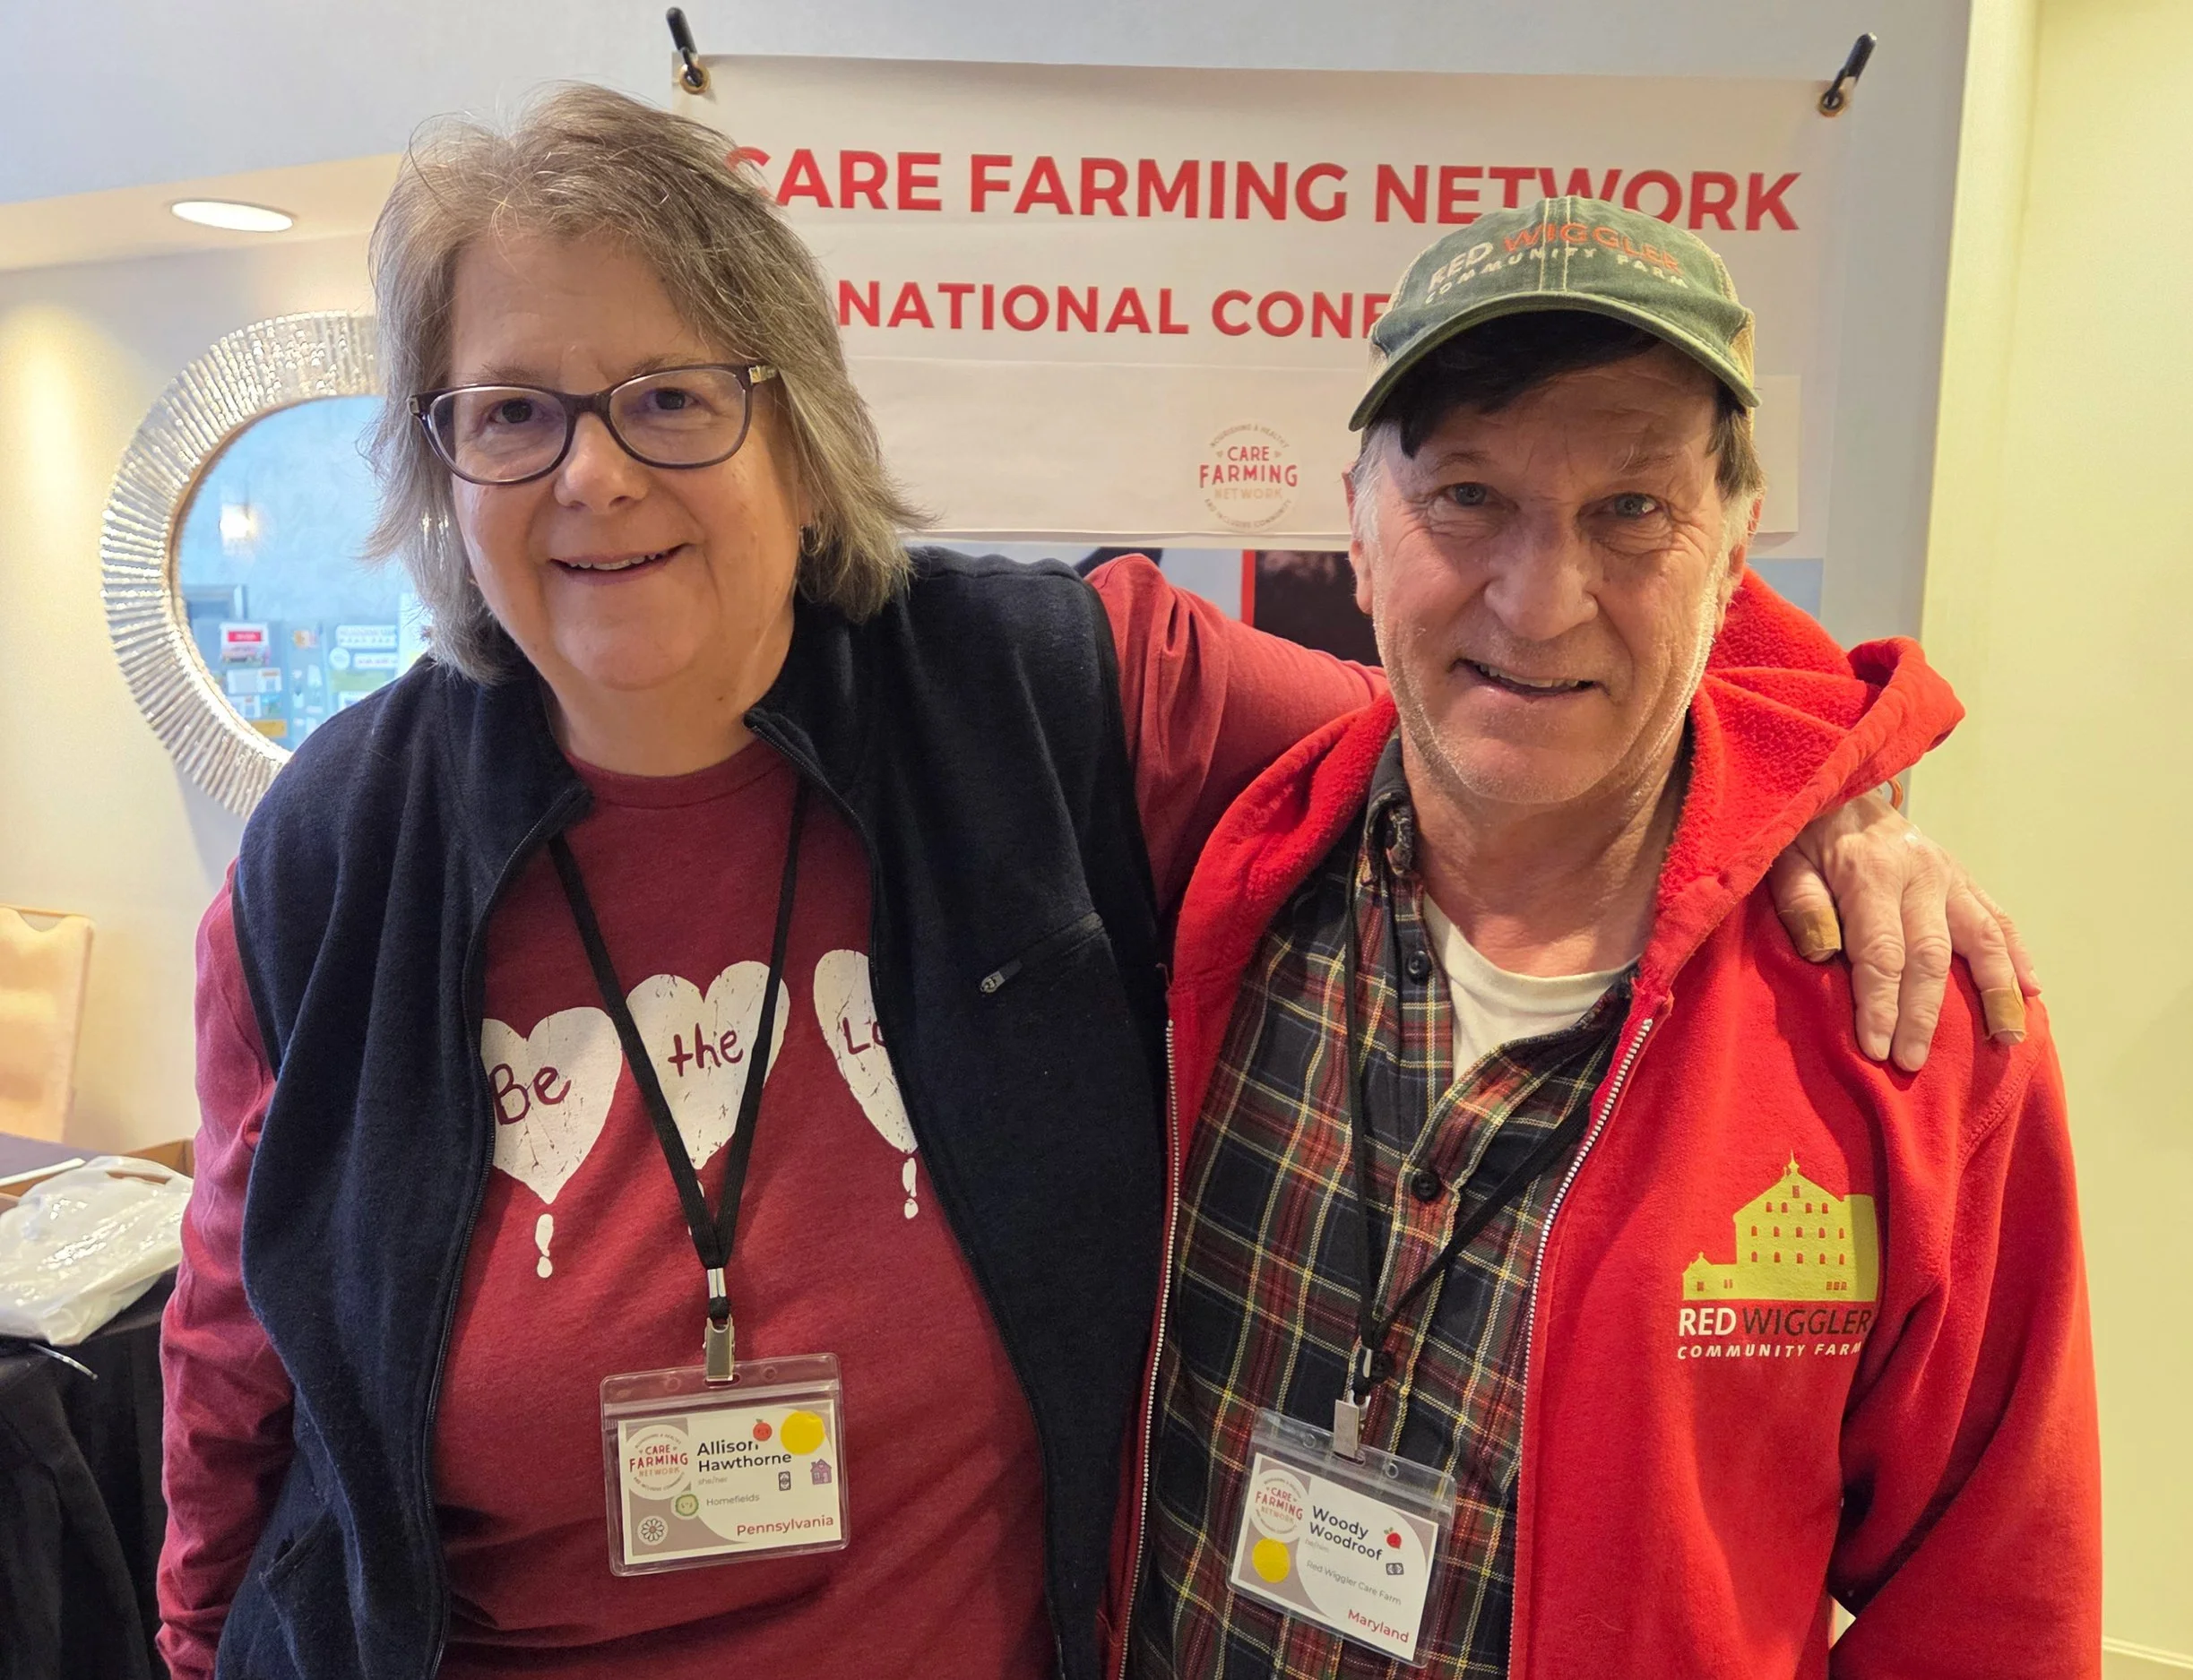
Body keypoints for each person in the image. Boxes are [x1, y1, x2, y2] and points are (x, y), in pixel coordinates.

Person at [156, 89, 2030, 1680]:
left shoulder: (1053, 697)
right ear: (437, 463)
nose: (591, 476)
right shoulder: (331, 858)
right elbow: (233, 1380)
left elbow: (1507, 696)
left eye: (668, 400)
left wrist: (1811, 781)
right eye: (510, 413)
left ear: (795, 434)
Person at [1118, 198, 2094, 1679]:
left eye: (1632, 510)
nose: (1540, 595)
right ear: (1359, 532)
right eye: (1466, 496)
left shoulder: (1911, 1029)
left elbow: (1990, 1604)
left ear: (1735, 552)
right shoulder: (1219, 866)